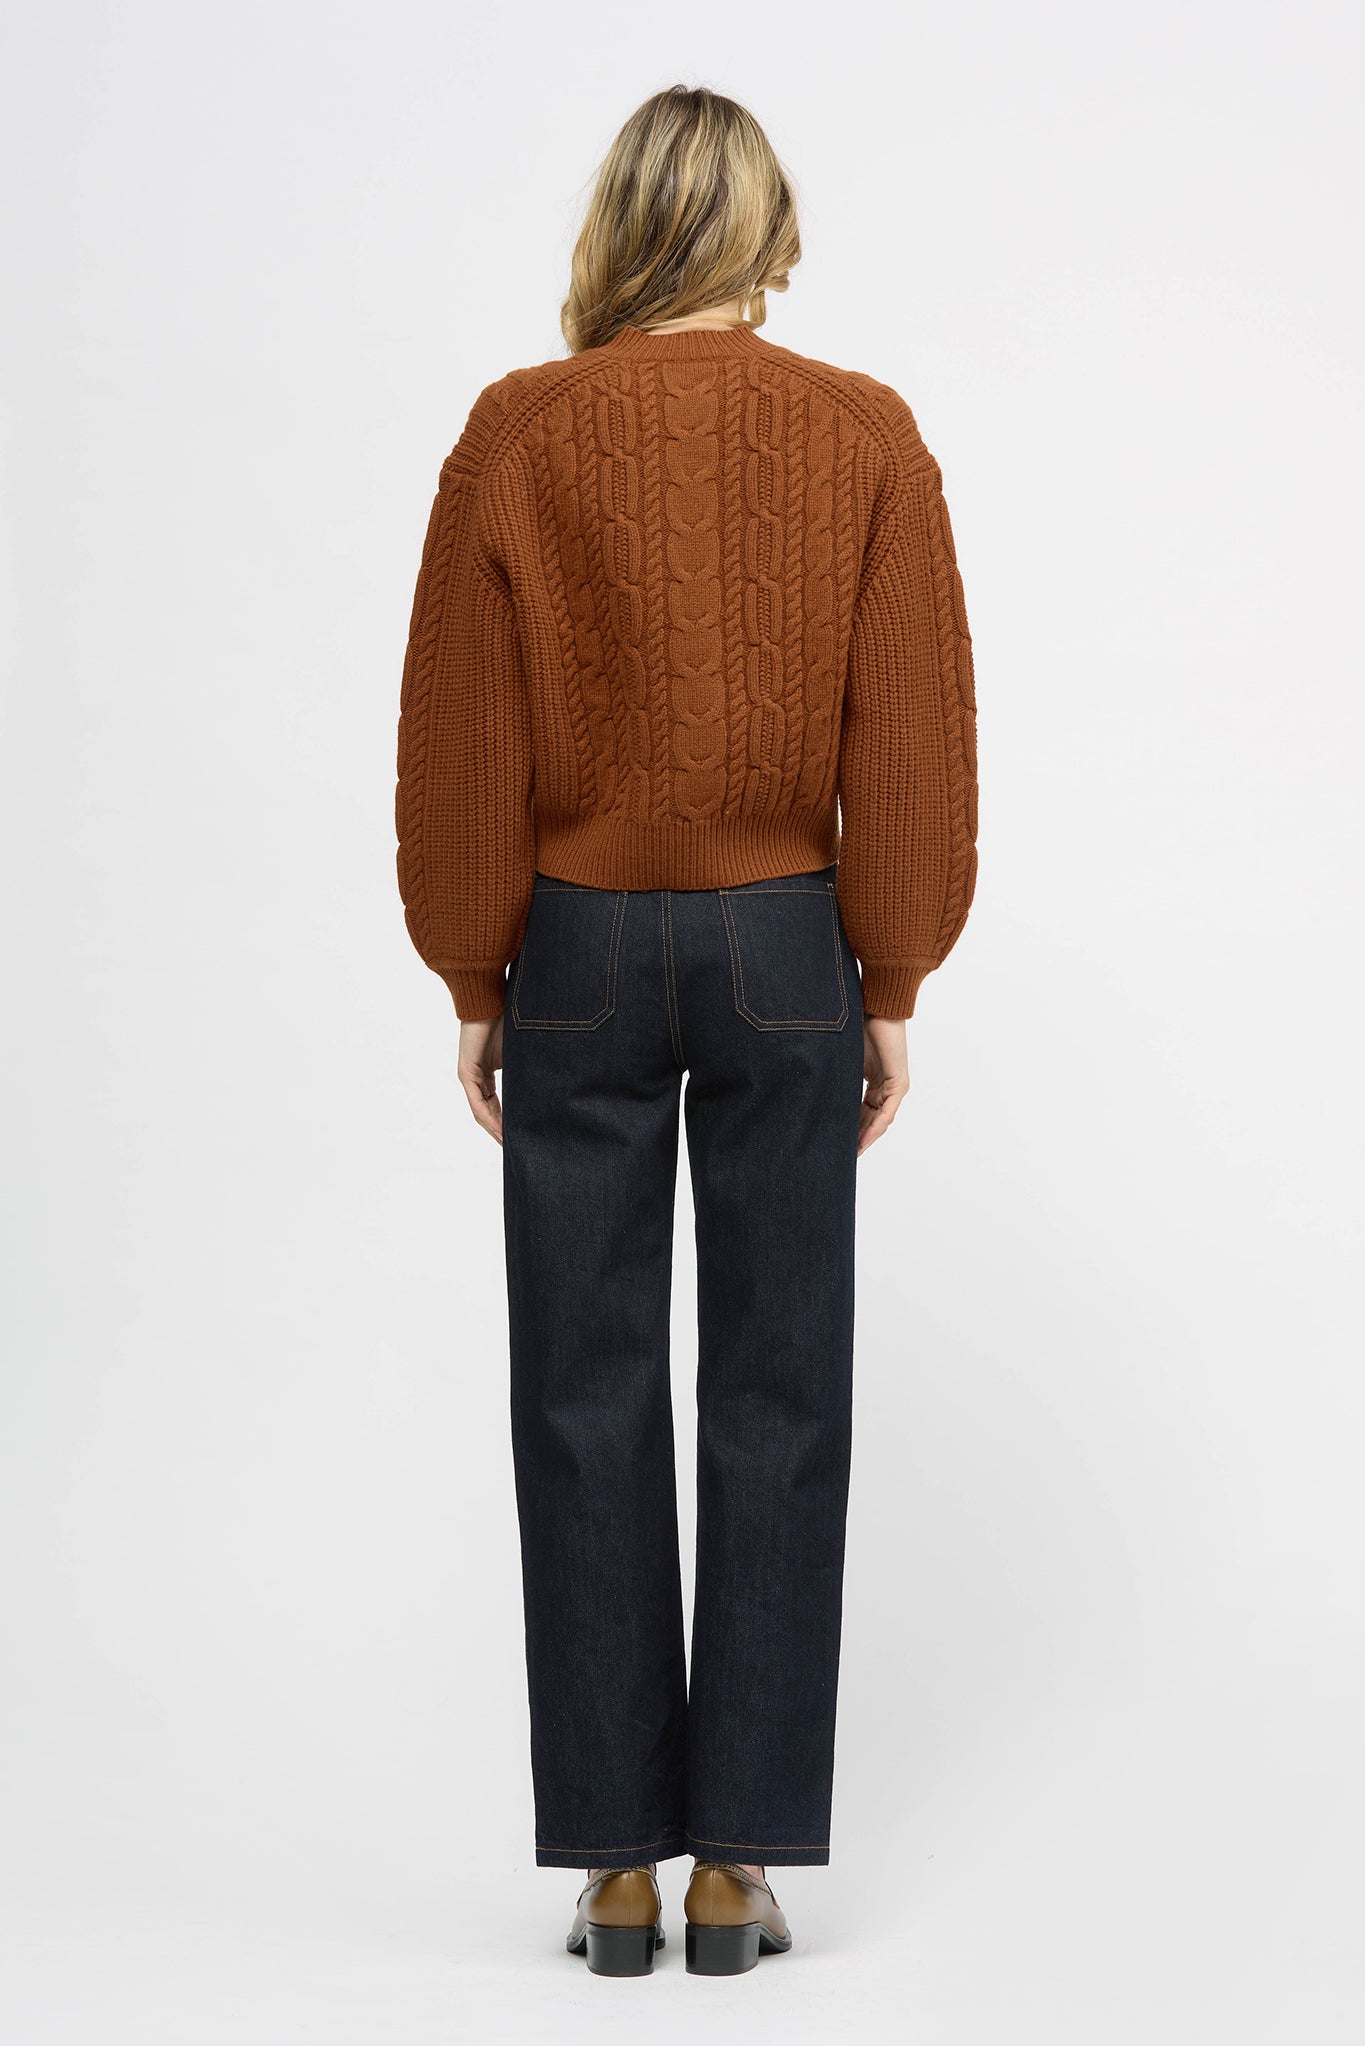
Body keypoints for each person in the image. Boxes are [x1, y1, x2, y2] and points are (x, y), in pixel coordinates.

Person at [394, 83, 978, 1978]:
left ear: (620, 225)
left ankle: (613, 1873)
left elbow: (463, 726)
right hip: (783, 943)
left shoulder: (516, 431)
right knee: (779, 1391)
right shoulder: (863, 432)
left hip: (573, 941)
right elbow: (906, 724)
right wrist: (888, 976)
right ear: (767, 236)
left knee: (580, 1390)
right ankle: (736, 1866)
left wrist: (474, 974)